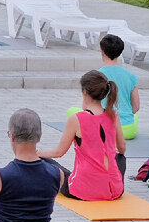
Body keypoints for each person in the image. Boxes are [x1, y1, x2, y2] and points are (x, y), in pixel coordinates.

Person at [39, 70, 126, 201]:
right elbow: (122, 148)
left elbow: (59, 152)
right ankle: (108, 181)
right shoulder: (113, 115)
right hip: (114, 190)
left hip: (84, 190)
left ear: (85, 92)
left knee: (43, 160)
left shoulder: (77, 119)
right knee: (120, 157)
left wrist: (36, 152)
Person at [98, 34, 140, 140]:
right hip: (129, 130)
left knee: (73, 111)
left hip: (107, 130)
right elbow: (136, 107)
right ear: (120, 53)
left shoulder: (97, 76)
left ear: (102, 52)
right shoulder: (130, 76)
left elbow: (87, 107)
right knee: (133, 116)